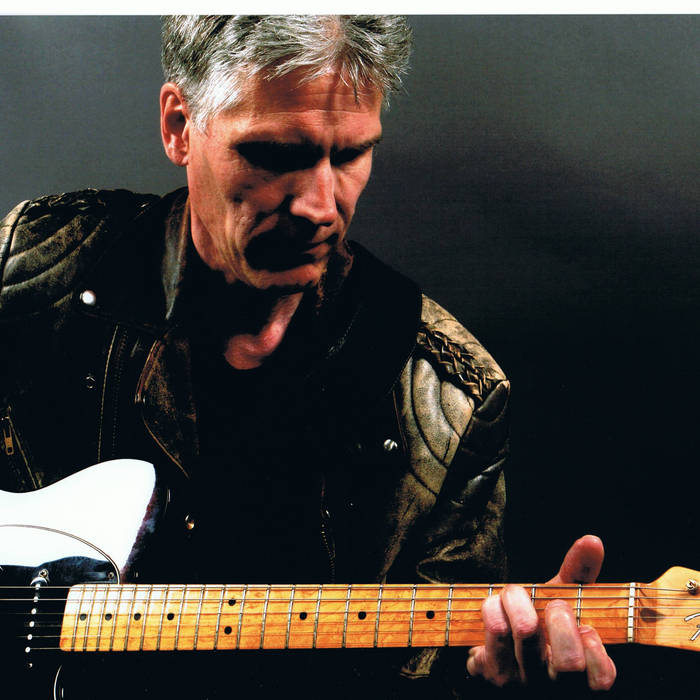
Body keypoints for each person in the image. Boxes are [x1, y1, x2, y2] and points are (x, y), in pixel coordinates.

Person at [0, 15, 615, 698]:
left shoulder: (452, 403)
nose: (321, 207)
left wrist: (495, 678)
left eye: (349, 156)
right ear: (179, 126)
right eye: (273, 155)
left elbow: (440, 674)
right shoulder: (28, 270)